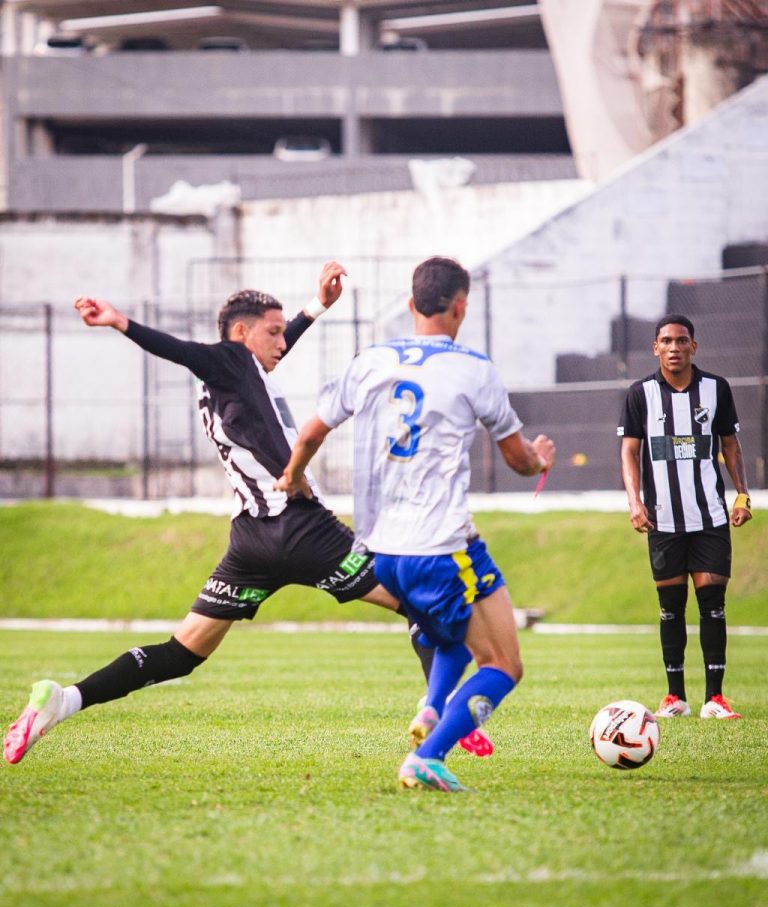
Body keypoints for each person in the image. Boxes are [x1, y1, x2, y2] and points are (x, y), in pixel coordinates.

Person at [4, 261, 486, 765]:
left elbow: (266, 345)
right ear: (240, 334)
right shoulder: (230, 361)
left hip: (251, 543)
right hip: (301, 529)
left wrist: (315, 307)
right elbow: (181, 350)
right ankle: (443, 710)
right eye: (272, 333)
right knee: (420, 603)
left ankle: (64, 700)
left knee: (182, 653)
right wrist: (120, 322)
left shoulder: (237, 376)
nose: (282, 342)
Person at [276, 256, 556, 791]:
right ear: (460, 307)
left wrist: (292, 476)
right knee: (503, 664)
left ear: (411, 304)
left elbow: (311, 434)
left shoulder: (370, 361)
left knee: (450, 635)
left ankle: (432, 706)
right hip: (442, 546)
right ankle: (428, 756)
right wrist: (540, 458)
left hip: (382, 552)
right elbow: (519, 459)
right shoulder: (473, 368)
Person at [618, 313, 752, 720]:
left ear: (693, 346)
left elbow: (731, 445)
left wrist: (742, 495)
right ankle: (674, 697)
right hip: (663, 520)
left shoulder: (716, 389)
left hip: (710, 517)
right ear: (655, 348)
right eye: (666, 341)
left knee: (712, 604)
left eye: (681, 341)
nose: (674, 348)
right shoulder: (640, 394)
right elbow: (630, 452)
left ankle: (715, 698)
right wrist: (635, 502)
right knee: (671, 607)